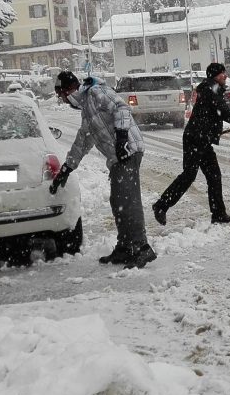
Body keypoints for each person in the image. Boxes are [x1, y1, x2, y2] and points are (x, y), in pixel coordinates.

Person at [50, 71, 156, 269]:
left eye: (61, 95)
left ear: (67, 90)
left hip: (129, 149)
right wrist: (66, 168)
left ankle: (142, 248)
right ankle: (125, 247)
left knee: (128, 199)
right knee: (118, 201)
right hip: (118, 157)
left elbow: (121, 107)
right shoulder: (87, 110)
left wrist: (123, 136)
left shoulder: (96, 92)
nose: (62, 100)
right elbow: (82, 142)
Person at [152, 63, 230, 225]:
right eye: (222, 73)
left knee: (213, 175)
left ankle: (218, 214)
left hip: (202, 139)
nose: (225, 75)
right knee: (189, 175)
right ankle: (161, 205)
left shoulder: (211, 88)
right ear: (214, 75)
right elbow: (224, 113)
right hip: (196, 139)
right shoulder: (210, 89)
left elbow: (215, 114)